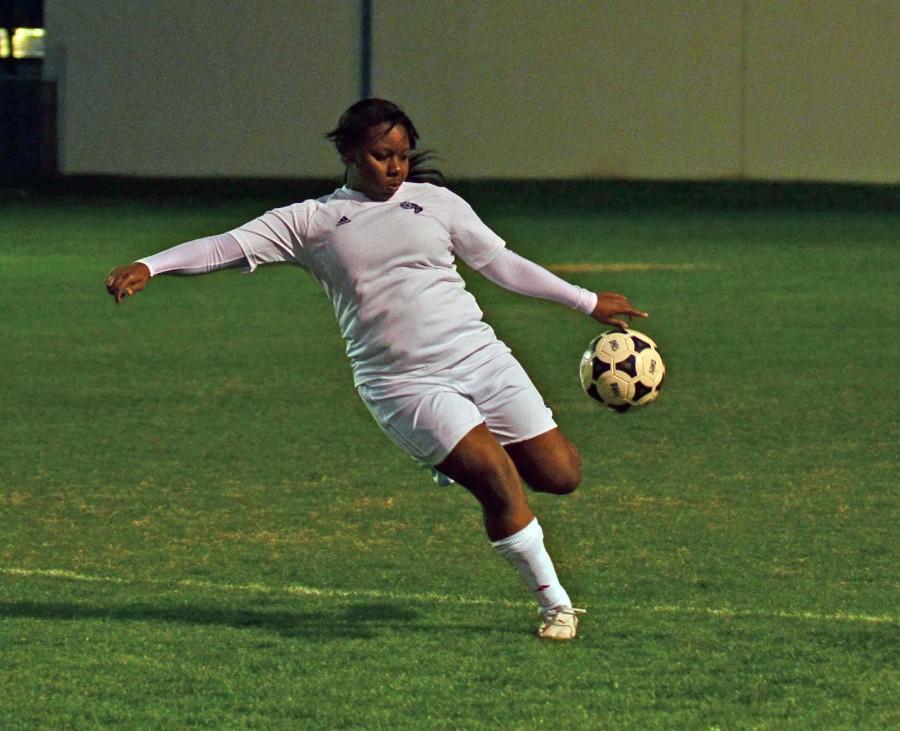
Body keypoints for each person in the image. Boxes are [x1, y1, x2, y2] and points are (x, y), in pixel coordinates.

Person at [106, 98, 647, 640]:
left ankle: (454, 450)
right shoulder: (311, 221)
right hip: (402, 383)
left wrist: (586, 300)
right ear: (348, 152)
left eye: (403, 156)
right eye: (381, 155)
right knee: (498, 482)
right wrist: (152, 265)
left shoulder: (436, 203)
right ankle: (556, 605)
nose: (394, 167)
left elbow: (500, 264)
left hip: (481, 358)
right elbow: (228, 245)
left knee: (561, 475)